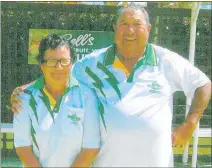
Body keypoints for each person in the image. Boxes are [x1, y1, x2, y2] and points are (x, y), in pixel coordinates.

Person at [10, 3, 211, 167]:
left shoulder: (166, 60)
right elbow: (59, 72)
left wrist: (190, 123)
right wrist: (26, 89)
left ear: (148, 29)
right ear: (115, 29)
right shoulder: (92, 64)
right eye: (123, 23)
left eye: (137, 24)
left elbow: (203, 84)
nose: (130, 30)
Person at [12, 34, 100, 167]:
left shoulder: (87, 97)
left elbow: (91, 147)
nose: (58, 67)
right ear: (42, 65)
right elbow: (23, 146)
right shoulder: (24, 97)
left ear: (71, 64)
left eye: (64, 61)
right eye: (52, 61)